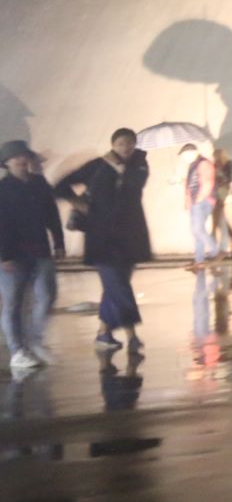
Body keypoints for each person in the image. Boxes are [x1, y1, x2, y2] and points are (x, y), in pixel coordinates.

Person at [54, 128, 151, 354]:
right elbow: (61, 185)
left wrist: (119, 170)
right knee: (117, 285)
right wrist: (78, 203)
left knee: (114, 287)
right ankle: (132, 334)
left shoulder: (140, 165)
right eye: (121, 143)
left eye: (129, 143)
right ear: (113, 145)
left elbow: (134, 185)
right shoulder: (97, 166)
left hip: (130, 235)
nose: (126, 148)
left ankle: (104, 332)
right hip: (102, 236)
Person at [0, 140, 64, 372]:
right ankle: (18, 351)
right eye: (15, 157)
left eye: (24, 155)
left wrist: (58, 242)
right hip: (12, 255)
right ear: (6, 163)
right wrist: (4, 255)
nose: (21, 160)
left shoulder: (39, 183)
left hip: (40, 249)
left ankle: (35, 340)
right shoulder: (4, 188)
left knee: (48, 295)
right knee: (13, 303)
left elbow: (52, 214)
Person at [180, 143, 219, 267]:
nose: (183, 158)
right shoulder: (194, 165)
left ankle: (215, 250)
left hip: (202, 201)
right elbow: (193, 183)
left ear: (193, 152)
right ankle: (199, 259)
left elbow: (208, 182)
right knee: (196, 231)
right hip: (196, 202)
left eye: (184, 155)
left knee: (197, 229)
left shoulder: (203, 163)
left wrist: (199, 199)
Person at [209, 147, 232, 257]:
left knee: (223, 221)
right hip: (219, 195)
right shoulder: (217, 165)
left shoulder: (227, 164)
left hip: (224, 195)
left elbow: (229, 179)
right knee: (221, 222)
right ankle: (230, 247)